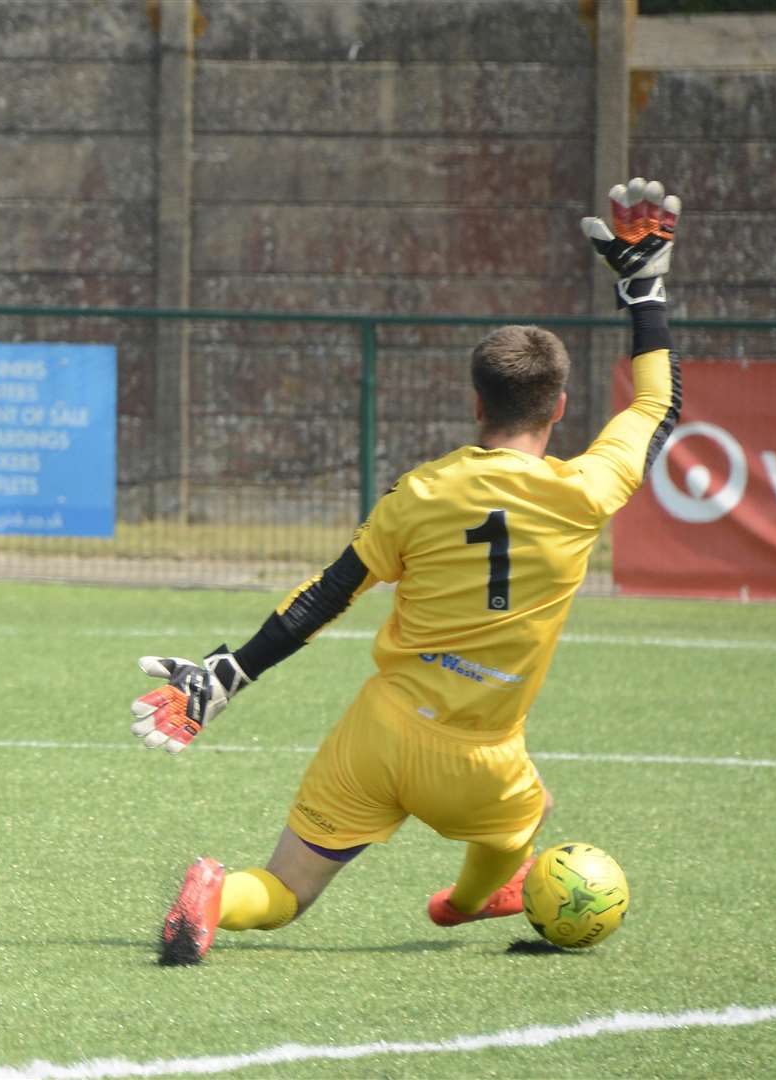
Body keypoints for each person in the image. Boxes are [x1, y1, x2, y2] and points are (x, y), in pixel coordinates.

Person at [130, 179, 684, 963]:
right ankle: (461, 904)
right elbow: (659, 407)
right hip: (480, 756)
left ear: (473, 403)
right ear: (559, 407)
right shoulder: (585, 492)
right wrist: (643, 291)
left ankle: (219, 891)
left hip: (379, 729)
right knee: (527, 815)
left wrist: (226, 676)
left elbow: (323, 597)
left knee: (285, 891)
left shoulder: (418, 494)